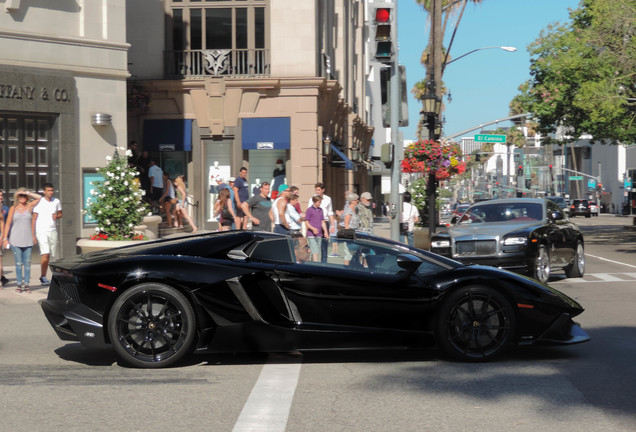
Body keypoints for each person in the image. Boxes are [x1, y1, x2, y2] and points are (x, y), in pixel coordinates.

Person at [2, 188, 41, 293]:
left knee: (27, 263)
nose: (23, 198)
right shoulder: (13, 208)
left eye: (24, 196)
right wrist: (5, 238)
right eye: (20, 196)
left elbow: (39, 198)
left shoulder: (29, 207)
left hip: (28, 240)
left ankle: (26, 284)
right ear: (17, 197)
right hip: (15, 240)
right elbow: (8, 224)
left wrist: (27, 192)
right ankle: (19, 284)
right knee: (18, 263)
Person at [32, 183, 62, 285]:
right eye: (48, 190)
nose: (50, 192)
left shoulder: (56, 201)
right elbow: (34, 219)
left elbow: (60, 213)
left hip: (53, 230)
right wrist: (33, 235)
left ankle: (55, 276)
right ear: (44, 191)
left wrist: (56, 217)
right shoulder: (39, 202)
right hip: (41, 230)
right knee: (45, 253)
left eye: (52, 190)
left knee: (53, 255)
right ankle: (43, 276)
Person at [309, 183, 336, 262]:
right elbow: (309, 211)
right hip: (315, 223)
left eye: (319, 190)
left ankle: (324, 262)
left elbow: (330, 212)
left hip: (325, 222)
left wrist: (333, 225)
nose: (317, 192)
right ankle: (315, 262)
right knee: (314, 243)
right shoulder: (312, 198)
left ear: (323, 190)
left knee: (324, 244)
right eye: (316, 190)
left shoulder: (328, 199)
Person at [305, 195, 328, 262]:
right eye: (318, 202)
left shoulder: (321, 210)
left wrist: (325, 231)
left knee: (316, 250)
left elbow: (322, 222)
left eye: (320, 202)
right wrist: (313, 229)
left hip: (319, 234)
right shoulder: (309, 210)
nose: (319, 204)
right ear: (314, 202)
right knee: (315, 251)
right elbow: (307, 222)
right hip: (311, 234)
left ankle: (312, 263)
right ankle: (316, 264)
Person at [342, 193, 360, 265]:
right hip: (350, 233)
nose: (358, 201)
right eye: (356, 200)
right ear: (352, 201)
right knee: (348, 253)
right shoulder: (348, 210)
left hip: (355, 232)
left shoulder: (355, 209)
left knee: (355, 252)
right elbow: (346, 224)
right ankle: (346, 269)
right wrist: (348, 235)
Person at [0, 189, 9, 286]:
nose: (1, 197)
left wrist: (3, 236)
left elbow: (3, 222)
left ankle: (2, 278)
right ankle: (2, 278)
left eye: (1, 195)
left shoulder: (3, 207)